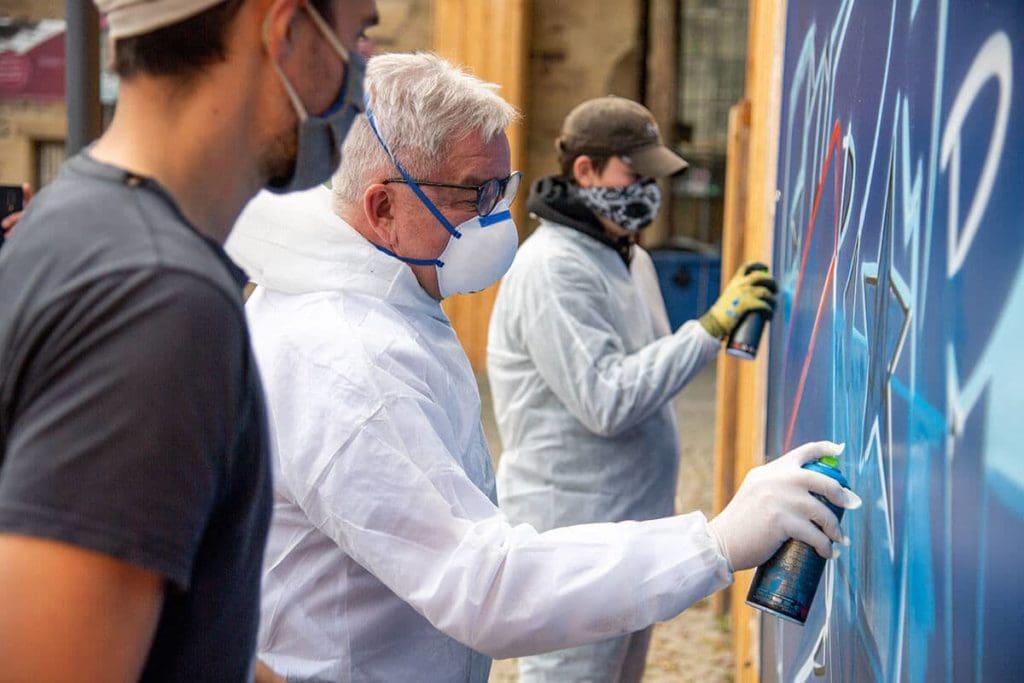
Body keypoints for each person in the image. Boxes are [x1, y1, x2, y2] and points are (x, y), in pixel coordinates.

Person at [226, 52, 860, 683]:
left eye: (504, 187)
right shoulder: (348, 358)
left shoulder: (383, 299)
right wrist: (716, 543)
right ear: (383, 207)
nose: (498, 215)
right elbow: (483, 586)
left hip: (576, 560)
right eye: (477, 193)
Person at [0, 1, 377, 681]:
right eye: (359, 35)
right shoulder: (160, 301)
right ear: (286, 30)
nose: (363, 69)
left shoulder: (72, 215)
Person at [485, 95, 782, 682]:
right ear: (585, 172)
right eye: (635, 173)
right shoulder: (552, 268)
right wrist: (709, 329)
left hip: (630, 533)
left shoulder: (628, 258)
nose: (648, 188)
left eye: (654, 176)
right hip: (571, 534)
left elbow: (650, 377)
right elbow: (609, 400)